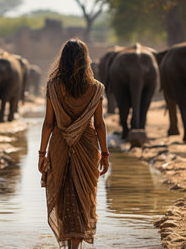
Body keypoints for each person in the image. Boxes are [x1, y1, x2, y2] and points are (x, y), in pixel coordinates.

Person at [38, 38, 110, 249]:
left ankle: (71, 243)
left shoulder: (53, 86)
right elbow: (99, 125)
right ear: (85, 60)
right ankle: (75, 245)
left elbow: (49, 123)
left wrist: (41, 154)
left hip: (59, 144)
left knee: (62, 192)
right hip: (87, 146)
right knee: (83, 195)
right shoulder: (96, 89)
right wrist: (105, 154)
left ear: (63, 60)